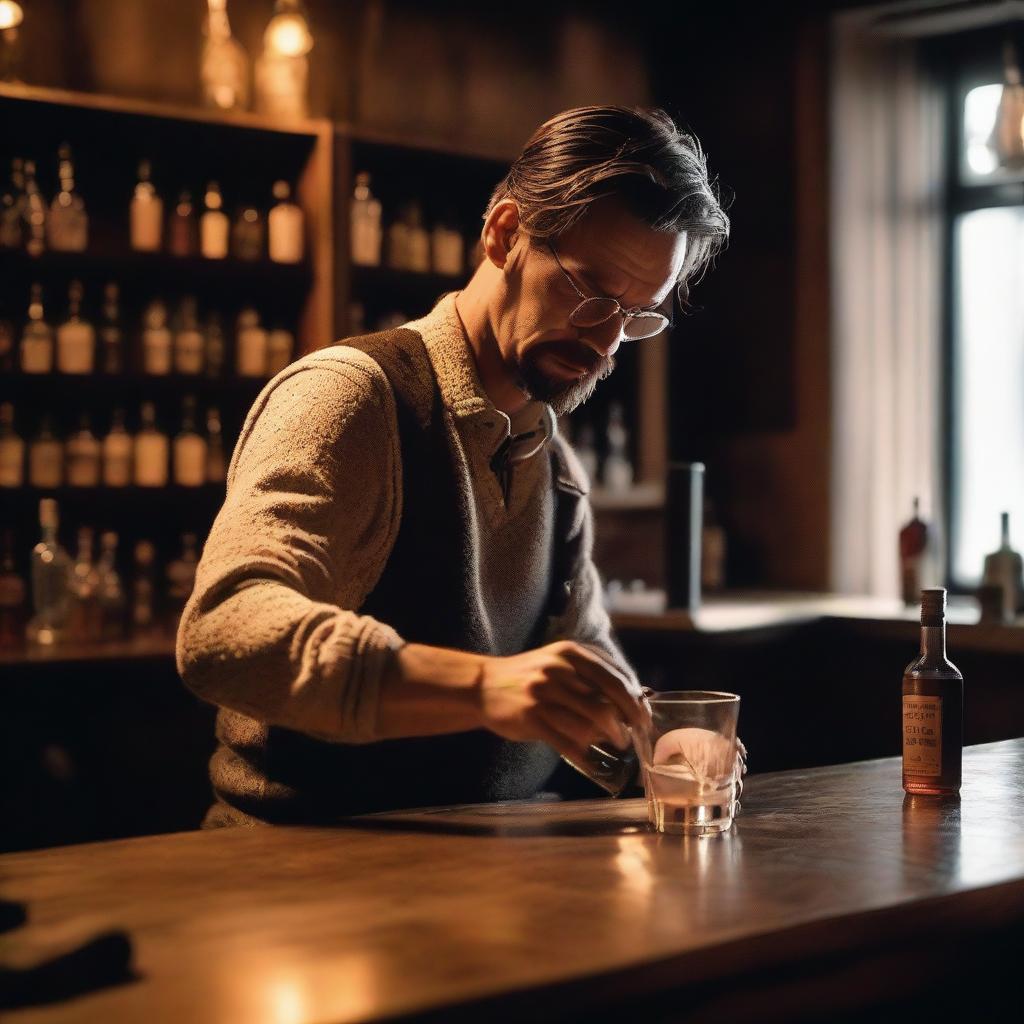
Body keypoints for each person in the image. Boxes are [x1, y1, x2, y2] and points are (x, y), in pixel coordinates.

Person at [176, 105, 730, 827]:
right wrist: (480, 687)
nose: (607, 341)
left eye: (636, 315)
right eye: (590, 290)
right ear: (504, 234)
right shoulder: (354, 400)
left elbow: (583, 671)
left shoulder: (555, 465)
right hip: (305, 873)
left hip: (500, 871)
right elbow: (223, 633)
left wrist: (658, 746)